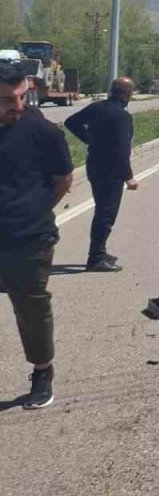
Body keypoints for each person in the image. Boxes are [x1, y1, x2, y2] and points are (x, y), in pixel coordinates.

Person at [0, 64, 73, 409]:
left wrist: (35, 211)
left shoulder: (43, 132)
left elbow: (64, 179)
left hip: (28, 239)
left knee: (31, 309)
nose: (16, 106)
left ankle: (42, 371)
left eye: (21, 96)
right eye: (5, 100)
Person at [64, 77, 138, 273]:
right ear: (128, 94)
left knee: (101, 209)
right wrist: (129, 177)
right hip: (111, 170)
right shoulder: (122, 116)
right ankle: (96, 258)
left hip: (94, 165)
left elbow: (71, 122)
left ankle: (100, 252)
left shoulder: (96, 107)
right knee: (106, 214)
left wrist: (89, 139)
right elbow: (122, 150)